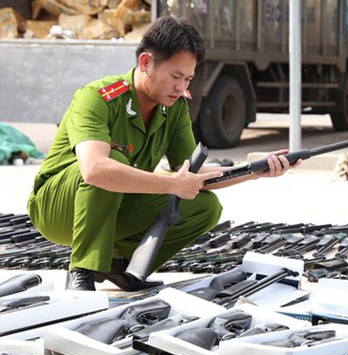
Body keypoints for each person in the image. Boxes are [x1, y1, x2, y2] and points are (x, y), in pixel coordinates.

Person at [27, 16, 294, 292]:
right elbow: (95, 170)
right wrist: (171, 183)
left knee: (205, 206)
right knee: (112, 164)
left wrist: (255, 171)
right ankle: (83, 267)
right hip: (57, 208)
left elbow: (190, 173)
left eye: (188, 79)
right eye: (175, 76)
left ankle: (118, 264)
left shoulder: (175, 107)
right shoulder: (97, 98)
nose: (181, 87)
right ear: (145, 63)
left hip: (112, 204)